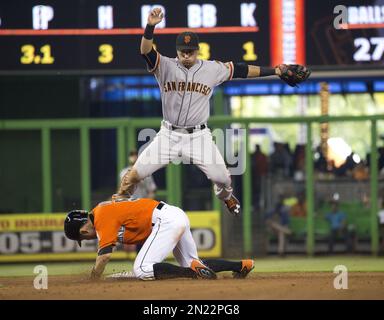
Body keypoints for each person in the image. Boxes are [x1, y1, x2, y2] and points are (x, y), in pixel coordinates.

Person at [115, 7, 310, 216]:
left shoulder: (211, 69)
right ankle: (117, 206)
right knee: (134, 175)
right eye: (182, 51)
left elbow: (242, 70)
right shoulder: (165, 66)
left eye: (190, 51)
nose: (186, 55)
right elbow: (145, 50)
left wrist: (276, 70)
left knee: (224, 178)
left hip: (198, 136)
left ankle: (226, 196)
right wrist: (151, 26)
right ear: (177, 51)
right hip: (168, 135)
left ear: (197, 50)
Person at [64, 196, 254, 280]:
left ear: (82, 232)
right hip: (173, 215)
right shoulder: (103, 212)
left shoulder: (100, 217)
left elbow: (104, 256)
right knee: (193, 262)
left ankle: (192, 273)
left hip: (164, 220)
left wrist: (94, 277)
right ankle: (241, 265)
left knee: (142, 269)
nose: (87, 239)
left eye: (83, 238)